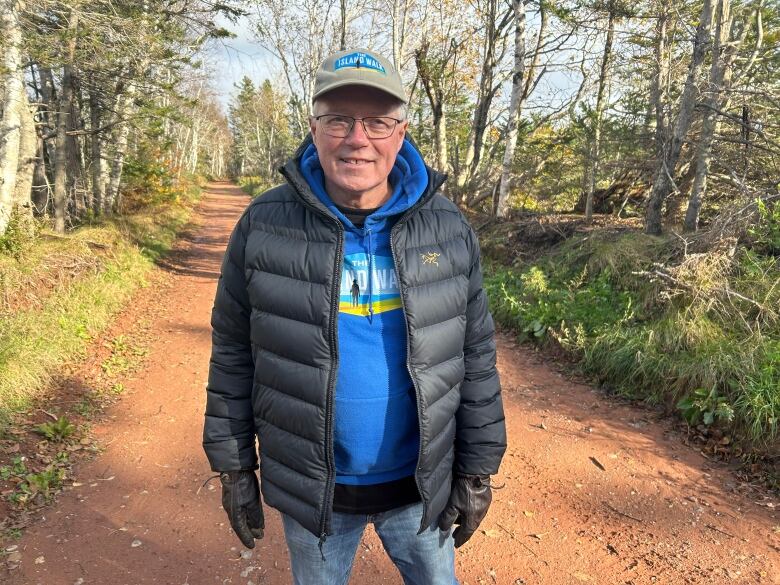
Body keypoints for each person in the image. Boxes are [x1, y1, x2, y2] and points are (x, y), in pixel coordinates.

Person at [203, 47, 506, 585]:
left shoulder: (446, 226)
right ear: (314, 126)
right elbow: (232, 349)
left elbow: (476, 353)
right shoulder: (264, 224)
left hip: (421, 488)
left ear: (401, 129)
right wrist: (232, 465)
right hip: (316, 493)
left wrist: (477, 468)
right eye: (339, 118)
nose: (357, 138)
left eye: (377, 121)